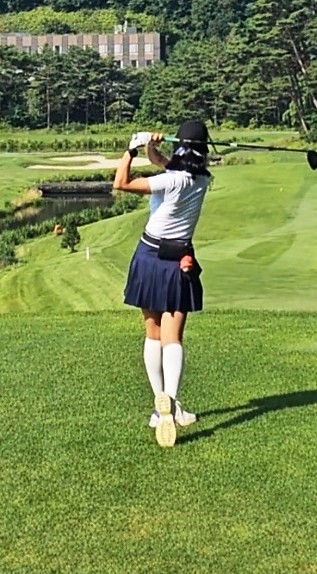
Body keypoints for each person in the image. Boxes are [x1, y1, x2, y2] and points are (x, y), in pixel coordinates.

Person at [113, 119, 212, 448]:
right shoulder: (201, 179)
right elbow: (169, 164)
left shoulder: (170, 181)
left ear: (181, 146)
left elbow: (122, 183)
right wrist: (152, 149)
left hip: (148, 255)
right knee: (174, 337)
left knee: (152, 333)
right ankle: (170, 400)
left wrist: (131, 149)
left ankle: (161, 406)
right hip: (177, 260)